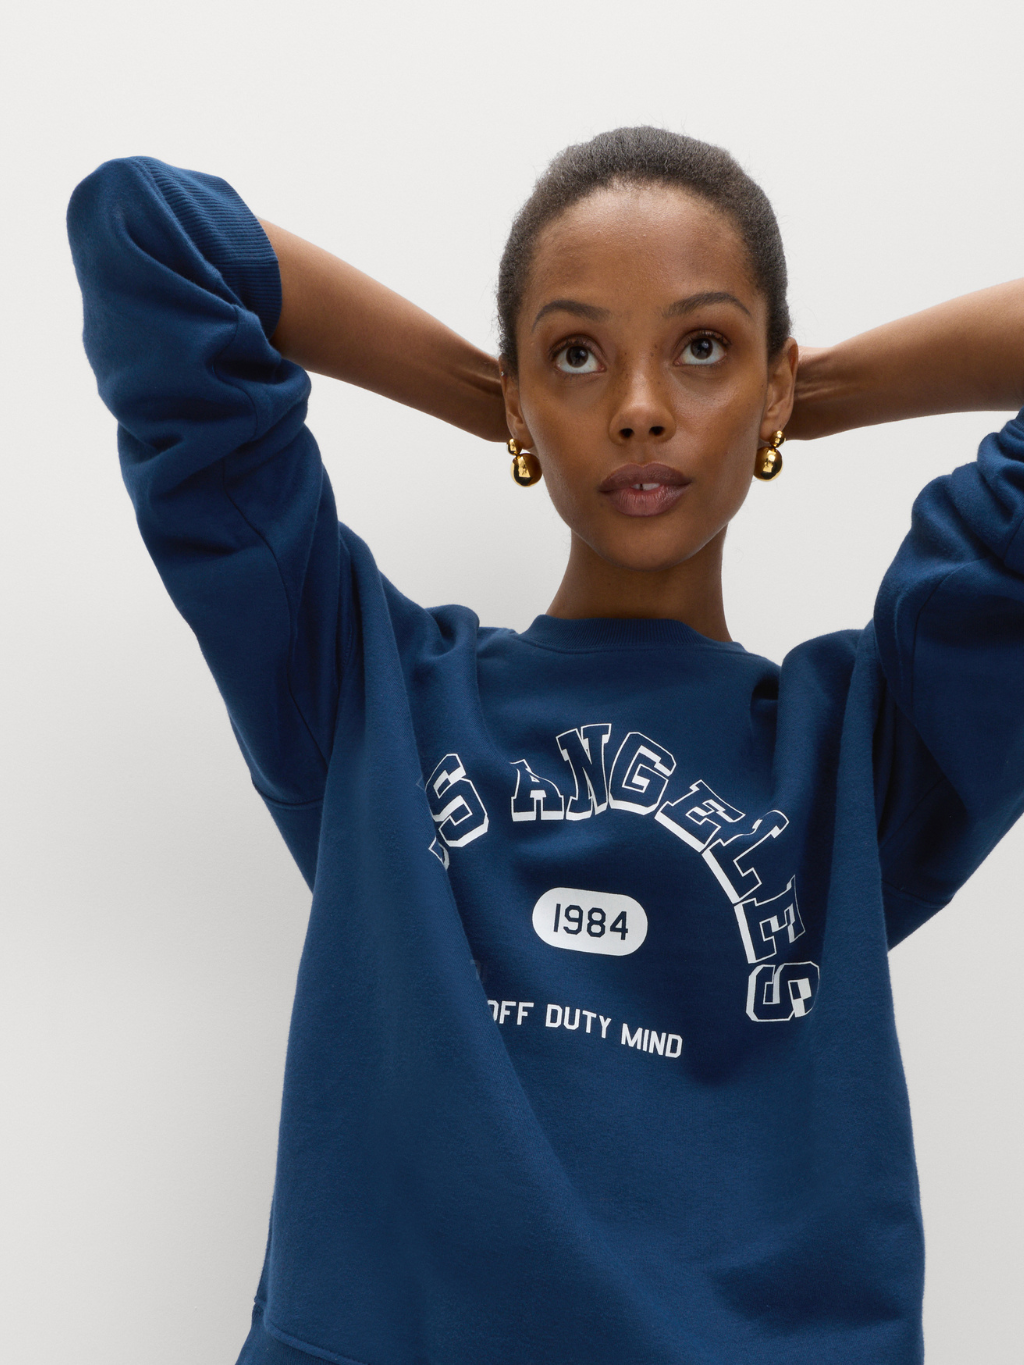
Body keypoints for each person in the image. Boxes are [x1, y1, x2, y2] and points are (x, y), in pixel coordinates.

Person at [67, 127, 1024, 1365]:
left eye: (702, 349)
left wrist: (812, 393)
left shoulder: (872, 755)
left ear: (768, 383)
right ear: (521, 390)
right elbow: (147, 232)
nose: (637, 411)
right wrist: (493, 394)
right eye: (578, 355)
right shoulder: (362, 695)